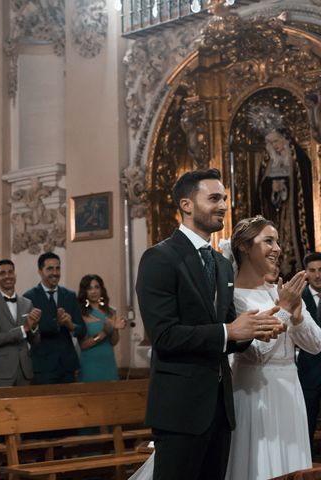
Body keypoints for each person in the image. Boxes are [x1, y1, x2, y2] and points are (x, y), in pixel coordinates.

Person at [135, 168, 283, 480]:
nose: (223, 205)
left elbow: (229, 328)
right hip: (180, 408)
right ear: (186, 205)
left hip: (219, 410)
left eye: (225, 199)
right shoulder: (159, 258)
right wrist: (230, 331)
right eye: (214, 198)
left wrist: (254, 330)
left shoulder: (220, 264)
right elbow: (164, 336)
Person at [223, 216, 321, 479]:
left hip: (290, 389)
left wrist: (298, 315)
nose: (278, 248)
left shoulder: (280, 291)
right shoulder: (233, 297)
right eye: (268, 240)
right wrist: (285, 310)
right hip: (255, 393)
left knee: (292, 468)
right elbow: (255, 351)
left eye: (277, 241)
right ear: (244, 247)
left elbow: (316, 345)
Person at [254, 127, 315, 277]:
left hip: (294, 212)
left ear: (285, 139)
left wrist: (286, 187)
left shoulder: (298, 157)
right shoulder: (268, 161)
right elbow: (261, 189)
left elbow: (303, 184)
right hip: (275, 213)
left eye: (276, 141)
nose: (274, 145)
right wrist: (272, 188)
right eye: (270, 142)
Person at [23, 252, 86, 384]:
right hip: (42, 366)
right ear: (40, 271)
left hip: (67, 365)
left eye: (58, 268)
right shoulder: (29, 297)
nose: (55, 272)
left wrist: (70, 325)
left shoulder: (69, 295)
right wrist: (56, 323)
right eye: (50, 268)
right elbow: (29, 334)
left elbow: (82, 330)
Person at [0, 259, 41, 387]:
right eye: (2, 273)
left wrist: (34, 327)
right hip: (1, 372)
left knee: (25, 407)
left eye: (10, 272)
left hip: (25, 370)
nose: (7, 276)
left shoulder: (27, 303)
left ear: (15, 275)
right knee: (0, 407)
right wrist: (23, 328)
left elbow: (35, 341)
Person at [77, 274, 126, 382]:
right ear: (84, 291)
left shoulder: (111, 311)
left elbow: (113, 342)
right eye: (89, 288)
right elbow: (83, 345)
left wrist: (116, 328)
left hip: (109, 362)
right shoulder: (81, 313)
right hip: (90, 364)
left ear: (101, 289)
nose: (94, 291)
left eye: (97, 287)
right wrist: (103, 333)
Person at [298, 251, 321, 452]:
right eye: (312, 270)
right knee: (307, 422)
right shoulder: (299, 297)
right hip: (308, 373)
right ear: (305, 273)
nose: (317, 275)